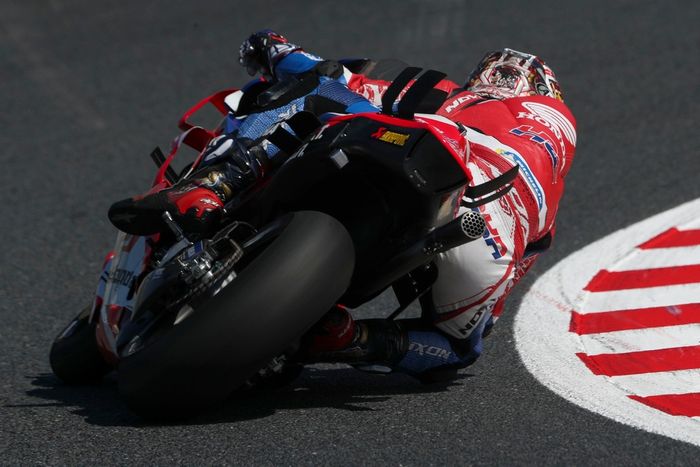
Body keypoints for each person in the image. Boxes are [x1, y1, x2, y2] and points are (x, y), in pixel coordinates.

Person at [108, 30, 577, 381]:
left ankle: (213, 185)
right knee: (457, 348)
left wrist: (273, 49)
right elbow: (506, 284)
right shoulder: (552, 189)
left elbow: (341, 78)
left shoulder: (455, 95)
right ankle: (351, 338)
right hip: (491, 234)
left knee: (317, 89)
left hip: (429, 150)